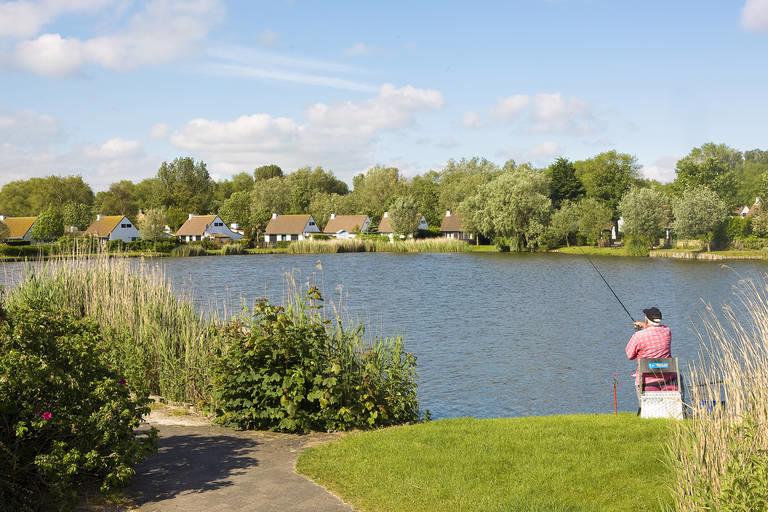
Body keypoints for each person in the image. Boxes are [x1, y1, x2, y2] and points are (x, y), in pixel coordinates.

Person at [625, 307, 672, 401]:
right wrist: (644, 326)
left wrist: (643, 329)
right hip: (666, 378)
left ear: (646, 319)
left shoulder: (638, 336)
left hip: (646, 381)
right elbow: (657, 328)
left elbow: (629, 355)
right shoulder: (667, 331)